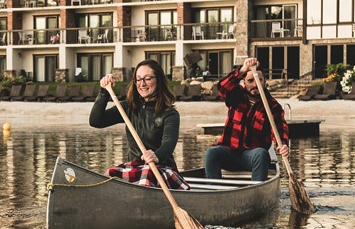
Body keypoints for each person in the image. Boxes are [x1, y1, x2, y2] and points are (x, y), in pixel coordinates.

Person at [89, 59, 188, 189]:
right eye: (138, 79)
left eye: (147, 79)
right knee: (109, 174)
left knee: (147, 175)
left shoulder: (169, 114)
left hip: (161, 168)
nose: (142, 84)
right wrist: (104, 92)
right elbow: (96, 121)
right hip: (134, 167)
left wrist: (156, 155)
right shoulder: (128, 107)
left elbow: (169, 142)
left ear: (158, 81)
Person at [204, 57, 290, 182]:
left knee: (261, 154)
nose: (255, 84)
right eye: (250, 81)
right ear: (244, 82)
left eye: (258, 80)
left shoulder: (272, 106)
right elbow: (222, 87)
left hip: (252, 156)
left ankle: (255, 191)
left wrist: (282, 145)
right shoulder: (236, 95)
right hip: (230, 152)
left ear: (264, 81)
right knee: (211, 153)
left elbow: (280, 128)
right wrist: (242, 69)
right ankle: (214, 191)